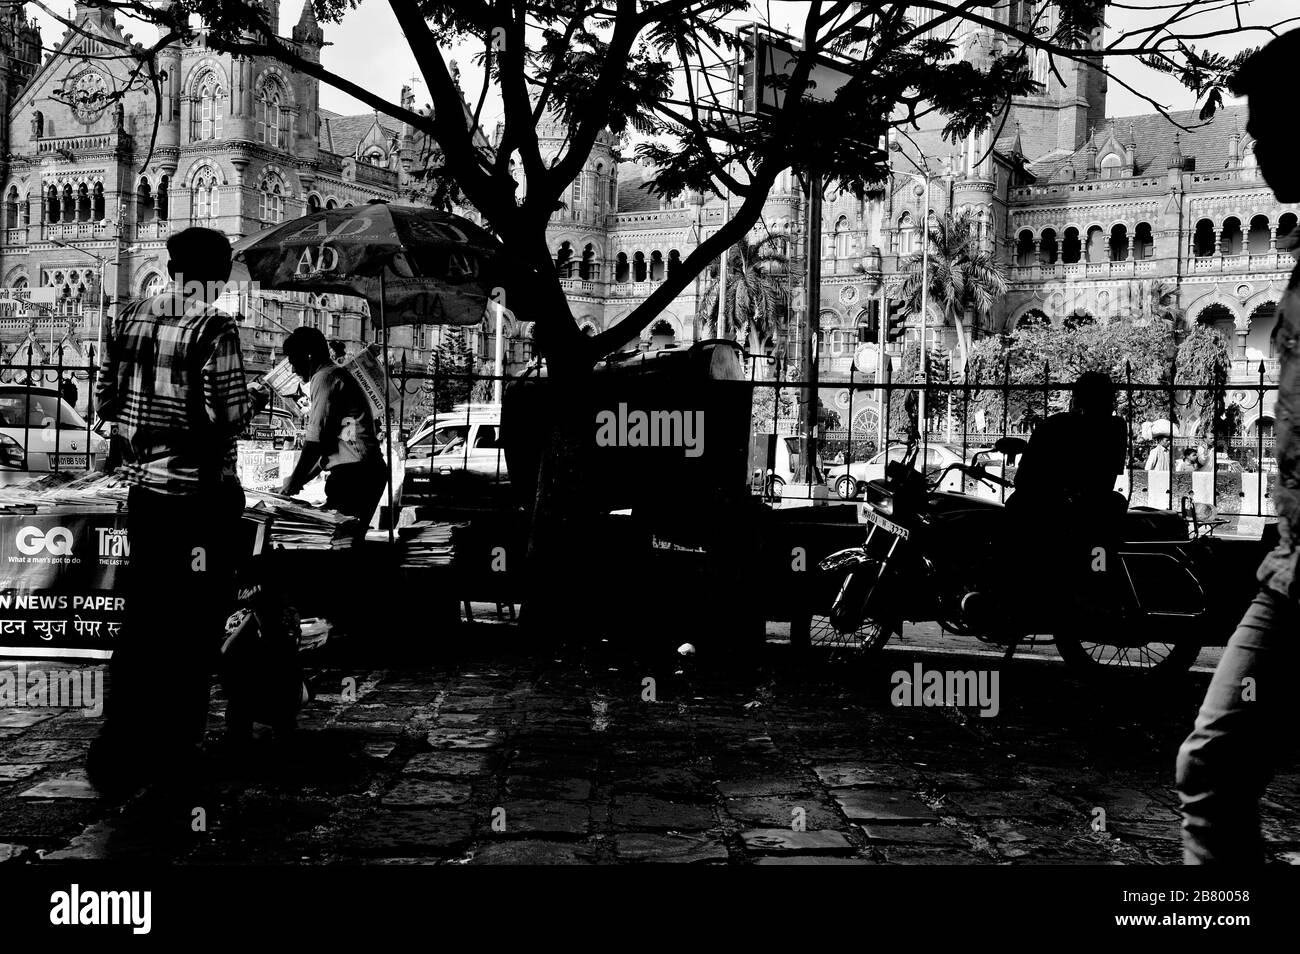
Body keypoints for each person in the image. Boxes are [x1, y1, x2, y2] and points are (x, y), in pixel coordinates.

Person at [88, 227, 269, 798]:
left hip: (146, 496)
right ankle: (174, 747)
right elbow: (230, 415)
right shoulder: (215, 328)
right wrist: (261, 394)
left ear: (169, 265)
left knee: (144, 618)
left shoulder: (126, 317)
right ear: (217, 274)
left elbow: (103, 403)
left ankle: (119, 745)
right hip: (198, 499)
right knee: (192, 626)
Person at [1176, 30, 1300, 865]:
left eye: (1270, 123)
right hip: (1291, 568)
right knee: (1214, 769)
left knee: (1217, 771)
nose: (1252, 143)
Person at [279, 326, 387, 523]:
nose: (293, 370)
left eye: (294, 361)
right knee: (341, 539)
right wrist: (298, 481)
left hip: (356, 476)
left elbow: (315, 440)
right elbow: (327, 446)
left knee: (337, 541)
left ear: (308, 356)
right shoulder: (333, 375)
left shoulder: (325, 377)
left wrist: (294, 480)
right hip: (363, 472)